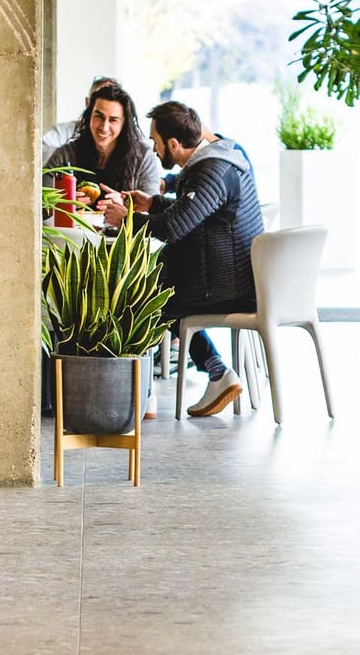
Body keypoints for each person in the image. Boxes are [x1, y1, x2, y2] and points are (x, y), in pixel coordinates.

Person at [102, 100, 264, 418]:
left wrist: (126, 221)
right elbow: (192, 211)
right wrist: (150, 202)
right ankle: (209, 373)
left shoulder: (212, 170)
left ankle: (197, 379)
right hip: (232, 276)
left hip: (228, 286)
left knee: (148, 299)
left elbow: (175, 227)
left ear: (173, 144)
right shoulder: (222, 156)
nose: (153, 148)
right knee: (153, 287)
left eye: (156, 142)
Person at [45, 81, 162, 203]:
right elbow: (38, 203)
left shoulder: (143, 157)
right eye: (99, 117)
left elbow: (152, 210)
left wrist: (126, 204)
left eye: (113, 120)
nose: (104, 127)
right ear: (89, 116)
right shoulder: (65, 156)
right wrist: (63, 201)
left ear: (124, 124)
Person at [41, 74, 121, 166]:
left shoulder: (131, 143)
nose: (104, 128)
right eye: (97, 99)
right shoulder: (62, 132)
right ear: (87, 102)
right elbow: (41, 155)